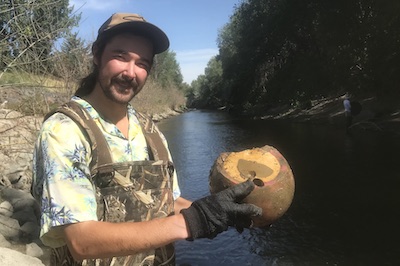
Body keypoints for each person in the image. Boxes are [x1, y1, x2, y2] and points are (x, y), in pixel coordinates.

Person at [31, 13, 262, 265]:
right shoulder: (64, 130)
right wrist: (193, 222)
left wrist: (220, 211)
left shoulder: (150, 131)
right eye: (121, 57)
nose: (131, 72)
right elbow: (81, 241)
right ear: (97, 54)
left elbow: (168, 203)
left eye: (142, 63)